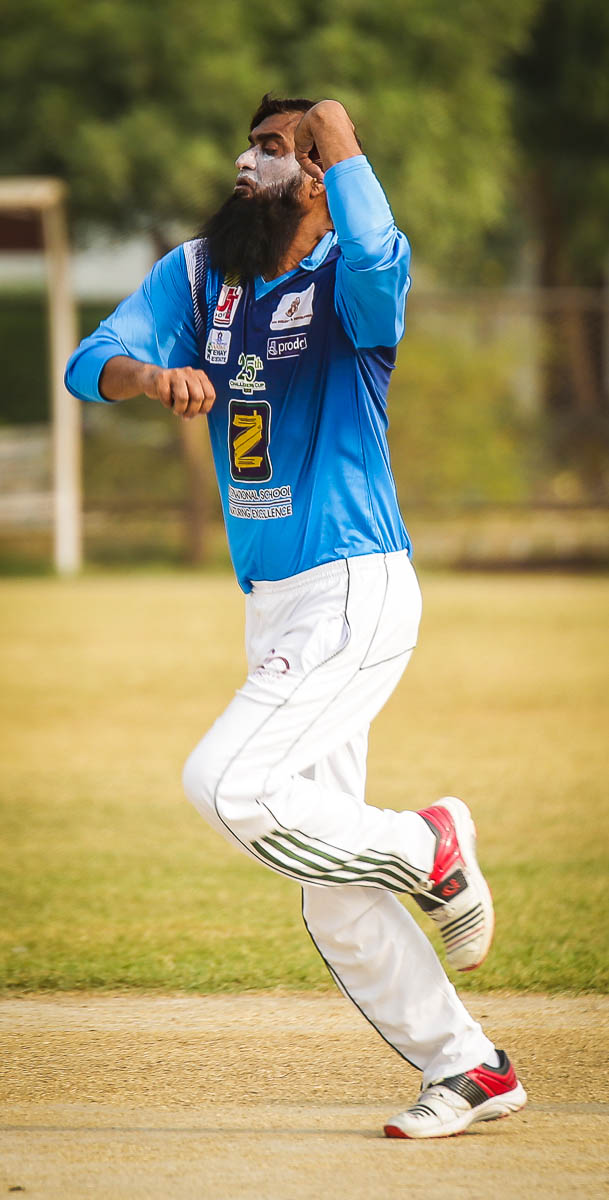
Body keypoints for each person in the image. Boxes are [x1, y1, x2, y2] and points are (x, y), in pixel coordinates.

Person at [65, 94, 527, 1139]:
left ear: (319, 177)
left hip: (352, 584)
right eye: (250, 145)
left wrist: (338, 130)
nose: (249, 162)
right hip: (274, 605)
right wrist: (152, 376)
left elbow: (378, 261)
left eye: (275, 150)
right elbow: (91, 361)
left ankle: (426, 843)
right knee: (326, 887)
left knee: (224, 781)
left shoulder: (353, 277)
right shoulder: (200, 275)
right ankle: (470, 1066)